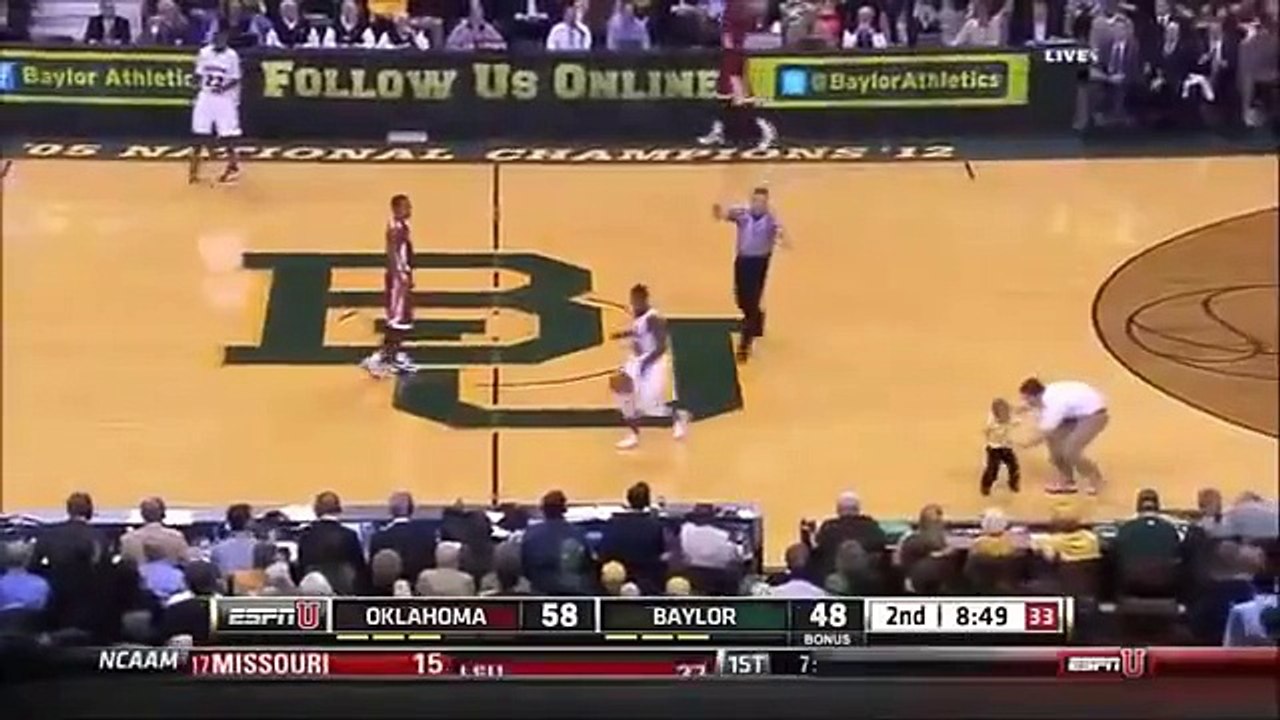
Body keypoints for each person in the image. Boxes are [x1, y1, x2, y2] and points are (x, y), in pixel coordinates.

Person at [609, 284, 691, 449]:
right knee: (620, 387)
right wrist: (623, 334)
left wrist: (645, 363)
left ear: (645, 300)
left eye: (637, 300)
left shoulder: (654, 318)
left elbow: (661, 346)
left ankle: (677, 416)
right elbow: (640, 331)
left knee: (650, 405)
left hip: (655, 362)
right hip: (637, 361)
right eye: (633, 300)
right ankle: (633, 434)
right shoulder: (638, 316)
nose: (634, 303)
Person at [712, 187, 786, 360]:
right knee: (741, 298)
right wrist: (718, 211)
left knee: (752, 300)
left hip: (759, 263)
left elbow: (781, 234)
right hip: (742, 261)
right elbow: (723, 215)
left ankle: (745, 345)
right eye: (755, 201)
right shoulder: (742, 214)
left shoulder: (771, 220)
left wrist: (782, 238)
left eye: (762, 202)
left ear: (766, 204)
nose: (758, 205)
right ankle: (757, 318)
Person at [697, 0, 777, 150]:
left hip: (737, 51)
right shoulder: (729, 7)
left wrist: (730, 41)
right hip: (729, 52)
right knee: (724, 96)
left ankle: (764, 133)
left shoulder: (740, 6)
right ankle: (720, 131)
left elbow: (750, 23)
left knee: (741, 98)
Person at [1016, 377, 1108, 494]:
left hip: (1094, 415)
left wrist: (1026, 444)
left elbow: (1045, 431)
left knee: (1071, 451)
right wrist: (1018, 410)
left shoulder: (1053, 404)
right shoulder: (1044, 393)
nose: (1026, 402)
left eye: (1027, 399)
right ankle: (1066, 481)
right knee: (1055, 444)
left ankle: (1096, 480)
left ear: (1035, 396)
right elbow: (1033, 408)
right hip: (1073, 413)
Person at [362, 194, 417, 376]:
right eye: (406, 207)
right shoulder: (395, 229)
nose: (409, 210)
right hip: (397, 280)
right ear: (396, 209)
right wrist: (401, 276)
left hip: (401, 277)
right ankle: (382, 359)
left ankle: (391, 355)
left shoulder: (402, 226)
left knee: (403, 318)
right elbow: (393, 254)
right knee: (397, 320)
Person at [188, 28, 243, 185]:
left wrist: (223, 89)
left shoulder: (232, 56)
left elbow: (235, 78)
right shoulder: (204, 53)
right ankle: (194, 170)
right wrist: (194, 82)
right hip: (206, 96)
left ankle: (233, 166)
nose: (218, 41)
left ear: (226, 39)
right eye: (216, 38)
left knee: (228, 135)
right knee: (199, 133)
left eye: (221, 38)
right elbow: (199, 73)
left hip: (225, 99)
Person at [981, 398, 1021, 495]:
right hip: (994, 448)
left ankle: (1013, 483)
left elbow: (1017, 420)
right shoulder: (991, 423)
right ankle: (986, 485)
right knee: (992, 469)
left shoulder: (1010, 418)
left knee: (1014, 466)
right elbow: (986, 432)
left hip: (1006, 447)